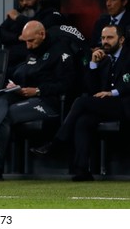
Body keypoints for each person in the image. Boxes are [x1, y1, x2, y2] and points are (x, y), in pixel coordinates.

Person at [0, 21, 75, 180]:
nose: (28, 46)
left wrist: (38, 90)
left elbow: (67, 84)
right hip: (25, 95)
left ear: (42, 34)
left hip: (47, 102)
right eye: (25, 41)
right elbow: (25, 72)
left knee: (6, 115)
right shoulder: (32, 50)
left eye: (31, 41)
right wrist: (15, 85)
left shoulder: (61, 52)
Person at [30, 25, 130, 181]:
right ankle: (82, 170)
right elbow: (91, 89)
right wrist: (93, 64)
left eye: (110, 38)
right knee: (83, 121)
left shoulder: (128, 56)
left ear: (122, 40)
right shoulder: (103, 59)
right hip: (106, 105)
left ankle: (57, 142)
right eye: (103, 38)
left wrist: (113, 92)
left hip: (124, 104)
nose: (105, 42)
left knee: (81, 102)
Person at [0, 0, 65, 78]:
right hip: (10, 64)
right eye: (21, 0)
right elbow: (1, 33)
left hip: (36, 64)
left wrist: (19, 18)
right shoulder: (19, 13)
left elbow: (41, 27)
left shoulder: (50, 13)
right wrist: (18, 37)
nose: (24, 3)